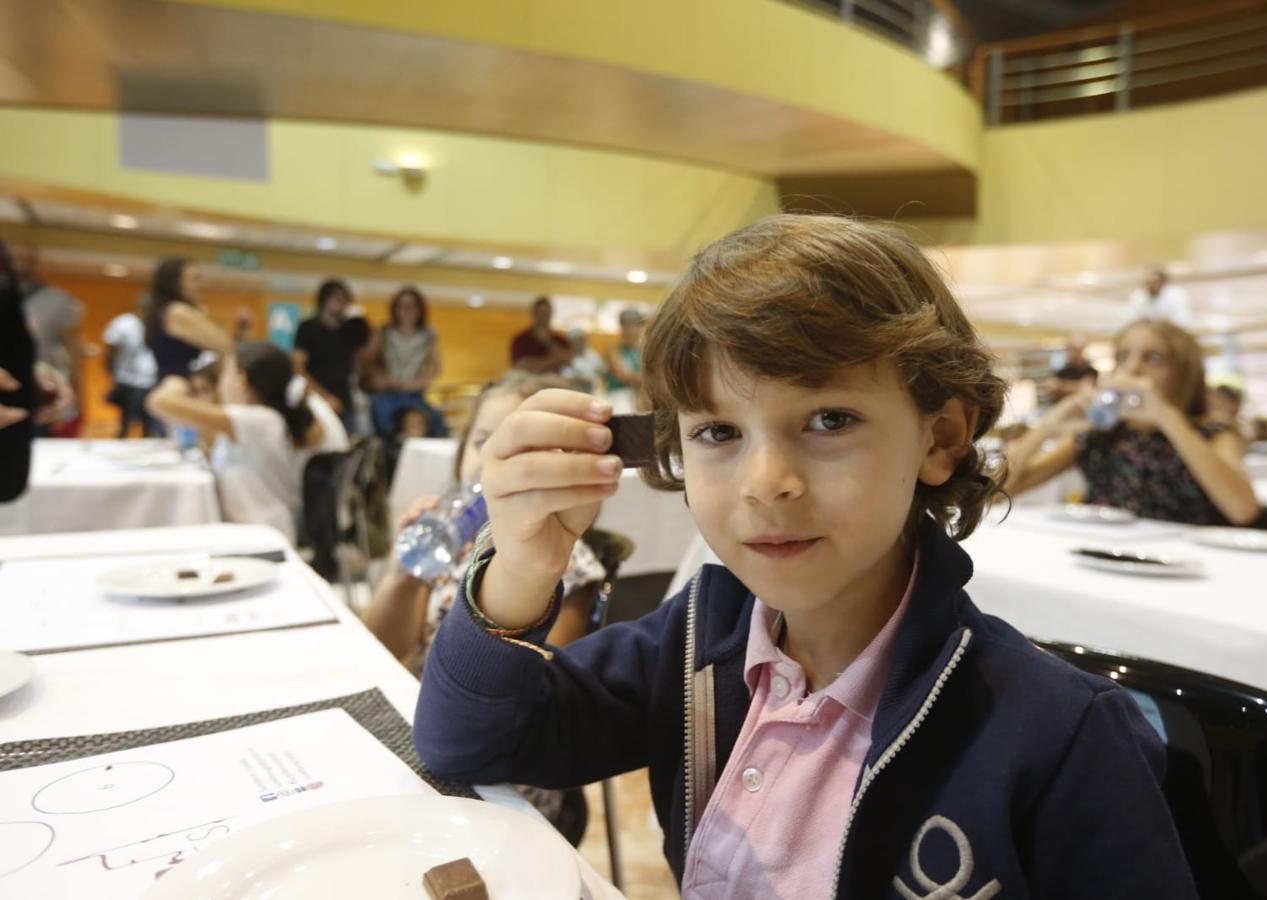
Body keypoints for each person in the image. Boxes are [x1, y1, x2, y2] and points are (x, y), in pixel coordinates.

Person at [412, 215, 1197, 899]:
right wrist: (520, 566)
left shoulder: (1059, 737)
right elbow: (467, 744)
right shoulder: (694, 641)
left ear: (941, 436)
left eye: (828, 419)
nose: (767, 485)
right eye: (718, 432)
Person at [363, 372, 605, 677]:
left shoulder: (567, 566)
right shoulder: (455, 542)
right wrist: (401, 578)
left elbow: (535, 685)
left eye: (519, 451)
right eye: (481, 443)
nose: (491, 463)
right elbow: (377, 650)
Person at [1005, 318, 1260, 526]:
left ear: (1184, 373)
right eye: (1123, 357)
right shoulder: (1101, 433)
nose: (1133, 368)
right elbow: (996, 493)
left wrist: (1166, 417)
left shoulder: (1212, 434)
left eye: (1153, 358)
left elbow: (1242, 510)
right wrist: (1049, 425)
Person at [147, 342, 345, 543]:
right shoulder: (261, 421)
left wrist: (176, 383)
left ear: (242, 380)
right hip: (255, 531)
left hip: (262, 535)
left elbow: (161, 402)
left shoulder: (261, 421)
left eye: (226, 373)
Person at [12, 244, 84, 437]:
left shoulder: (59, 300)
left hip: (40, 387)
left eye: (27, 260)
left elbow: (72, 346)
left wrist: (75, 387)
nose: (19, 265)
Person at [293, 279, 371, 435]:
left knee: (349, 444)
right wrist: (324, 396)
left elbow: (360, 362)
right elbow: (297, 367)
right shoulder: (308, 327)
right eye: (335, 298)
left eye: (344, 299)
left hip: (345, 398)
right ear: (323, 300)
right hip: (316, 396)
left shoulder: (349, 330)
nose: (340, 303)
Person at [366, 287, 445, 440]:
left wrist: (418, 383)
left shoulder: (428, 334)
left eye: (412, 307)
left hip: (414, 394)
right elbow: (367, 361)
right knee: (386, 427)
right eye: (402, 306)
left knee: (436, 425)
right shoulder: (384, 331)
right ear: (395, 309)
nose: (407, 311)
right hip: (387, 393)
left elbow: (436, 368)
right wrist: (382, 379)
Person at [144, 258, 234, 381]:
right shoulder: (177, 311)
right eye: (195, 279)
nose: (201, 285)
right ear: (175, 283)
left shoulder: (164, 311)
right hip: (177, 386)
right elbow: (226, 344)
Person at [102, 297, 162, 438]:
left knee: (150, 421)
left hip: (151, 380)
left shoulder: (157, 326)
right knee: (126, 420)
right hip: (128, 380)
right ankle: (121, 445)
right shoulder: (125, 324)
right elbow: (110, 350)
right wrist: (113, 374)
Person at [508, 296, 571, 374]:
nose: (543, 317)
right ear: (534, 314)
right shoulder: (521, 339)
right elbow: (522, 366)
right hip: (527, 379)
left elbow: (568, 361)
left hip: (553, 380)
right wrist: (555, 361)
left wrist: (548, 343)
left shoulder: (560, 340)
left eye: (546, 314)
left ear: (551, 314)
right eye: (540, 313)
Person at [602, 307, 645, 413]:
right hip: (619, 395)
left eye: (634, 324)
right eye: (626, 325)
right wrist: (647, 379)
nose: (630, 329)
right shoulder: (613, 349)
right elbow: (621, 375)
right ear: (621, 327)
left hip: (641, 396)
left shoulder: (645, 350)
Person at [1127, 267, 1192, 328]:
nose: (1150, 285)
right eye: (1148, 282)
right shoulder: (1138, 295)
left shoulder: (1177, 295)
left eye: (1154, 282)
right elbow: (1133, 318)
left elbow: (1181, 321)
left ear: (1163, 282)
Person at [559, 328, 606, 393]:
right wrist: (582, 379)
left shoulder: (591, 354)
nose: (580, 343)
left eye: (582, 340)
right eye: (577, 340)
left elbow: (602, 371)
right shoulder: (566, 356)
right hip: (572, 391)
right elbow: (564, 378)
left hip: (593, 390)